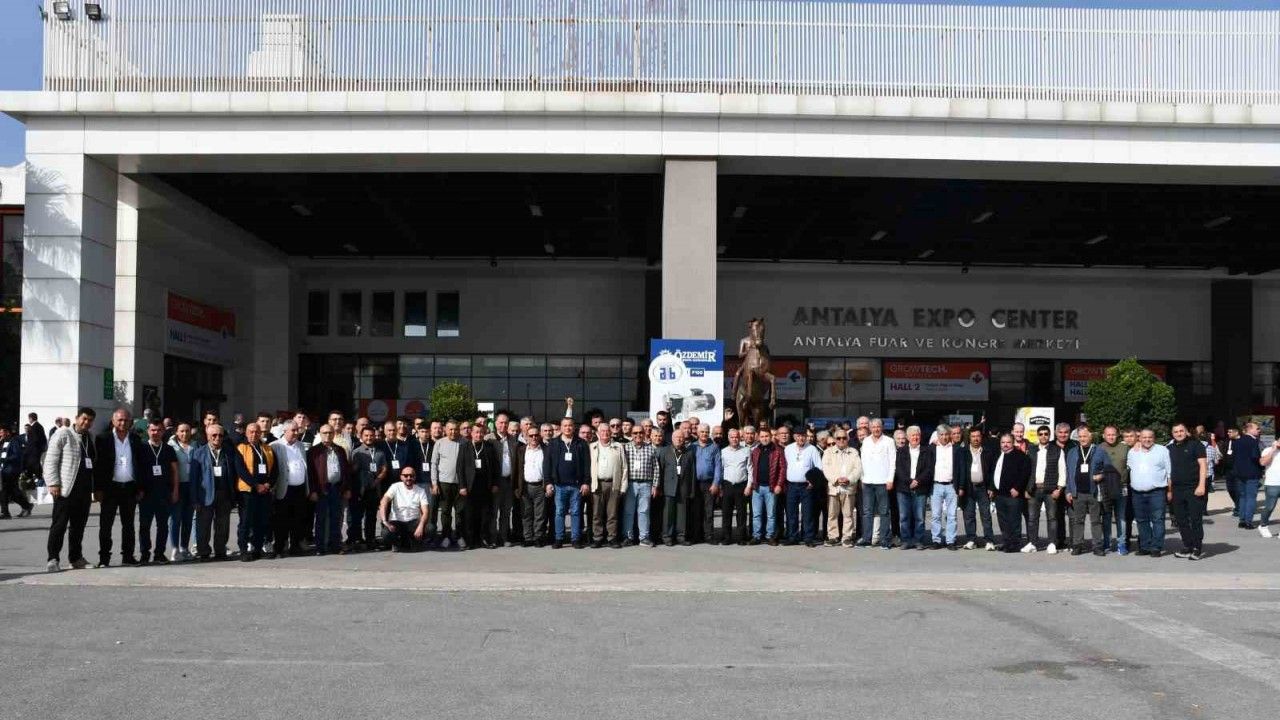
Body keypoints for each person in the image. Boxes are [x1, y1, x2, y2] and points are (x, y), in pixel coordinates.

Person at [43, 408, 96, 572]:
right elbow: (50, 459)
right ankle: (53, 559)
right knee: (59, 525)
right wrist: (53, 483)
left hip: (84, 490)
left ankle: (76, 558)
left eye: (90, 420)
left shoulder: (89, 437)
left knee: (78, 527)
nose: (86, 422)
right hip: (65, 489)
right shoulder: (63, 434)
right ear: (77, 418)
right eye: (84, 419)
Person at [95, 408, 147, 568]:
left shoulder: (135, 439)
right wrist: (97, 489)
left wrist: (140, 487)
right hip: (110, 488)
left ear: (130, 422)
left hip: (129, 488)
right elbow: (98, 465)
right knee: (106, 525)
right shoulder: (103, 438)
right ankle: (104, 558)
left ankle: (128, 556)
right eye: (120, 420)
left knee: (129, 525)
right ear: (113, 421)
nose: (123, 423)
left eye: (126, 420)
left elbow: (141, 464)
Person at [190, 424, 245, 561]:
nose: (217, 438)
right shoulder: (199, 453)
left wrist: (234, 496)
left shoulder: (229, 452)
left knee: (223, 525)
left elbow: (235, 474)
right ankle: (204, 552)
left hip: (224, 494)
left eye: (220, 435)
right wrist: (195, 499)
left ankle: (220, 551)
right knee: (203, 525)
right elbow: (194, 478)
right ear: (208, 436)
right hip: (205, 495)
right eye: (214, 435)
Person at [137, 419, 179, 565]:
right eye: (153, 430)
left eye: (159, 430)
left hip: (164, 492)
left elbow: (175, 471)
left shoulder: (168, 449)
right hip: (146, 493)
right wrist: (138, 489)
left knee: (163, 525)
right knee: (144, 525)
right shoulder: (142, 448)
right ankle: (144, 554)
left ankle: (159, 554)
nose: (155, 433)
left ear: (163, 431)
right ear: (148, 431)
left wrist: (175, 491)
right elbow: (137, 470)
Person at [270, 421, 313, 558]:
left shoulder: (300, 445)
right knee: (281, 521)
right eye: (293, 430)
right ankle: (279, 548)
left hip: (299, 489)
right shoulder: (275, 446)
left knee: (298, 519)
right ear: (284, 431)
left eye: (297, 430)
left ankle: (295, 546)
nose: (296, 433)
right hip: (284, 489)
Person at [235, 422, 277, 561]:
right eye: (251, 432)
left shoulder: (267, 448)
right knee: (246, 522)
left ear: (261, 433)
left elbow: (275, 469)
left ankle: (258, 548)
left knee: (262, 520)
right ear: (246, 433)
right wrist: (256, 485)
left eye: (257, 432)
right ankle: (243, 549)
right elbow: (241, 471)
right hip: (247, 491)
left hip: (265, 491)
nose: (254, 434)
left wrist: (268, 484)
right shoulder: (241, 448)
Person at [546, 417, 590, 549]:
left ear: (574, 427)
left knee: (576, 512)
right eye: (565, 425)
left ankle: (575, 539)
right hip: (559, 485)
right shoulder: (554, 443)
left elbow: (587, 465)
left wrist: (585, 482)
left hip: (576, 485)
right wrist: (548, 482)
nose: (568, 428)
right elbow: (547, 464)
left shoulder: (581, 443)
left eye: (570, 425)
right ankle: (559, 538)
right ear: (561, 427)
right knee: (559, 512)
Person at [308, 424, 351, 555]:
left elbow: (346, 471)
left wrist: (346, 488)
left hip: (337, 488)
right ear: (320, 434)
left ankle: (335, 546)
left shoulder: (340, 450)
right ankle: (320, 547)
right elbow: (310, 473)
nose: (328, 435)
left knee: (336, 518)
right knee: (321, 519)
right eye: (325, 433)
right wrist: (312, 491)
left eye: (330, 433)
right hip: (321, 489)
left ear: (334, 434)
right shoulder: (313, 451)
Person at [1166, 423, 1207, 559]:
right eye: (1176, 432)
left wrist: (1201, 485)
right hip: (1177, 489)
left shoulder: (1196, 445)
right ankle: (1187, 546)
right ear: (1172, 434)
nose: (1179, 433)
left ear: (1186, 431)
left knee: (1195, 519)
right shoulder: (1169, 449)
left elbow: (1203, 465)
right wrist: (1169, 490)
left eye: (1181, 431)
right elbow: (1168, 471)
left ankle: (1197, 547)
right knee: (1181, 519)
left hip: (1194, 488)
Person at [1128, 429, 1171, 557]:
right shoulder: (1133, 452)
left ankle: (1156, 547)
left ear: (1154, 438)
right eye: (1144, 437)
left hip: (1157, 492)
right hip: (1137, 493)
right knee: (1141, 520)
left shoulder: (1162, 450)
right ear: (1139, 438)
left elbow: (1169, 472)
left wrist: (1170, 490)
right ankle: (1145, 546)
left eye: (1150, 437)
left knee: (1158, 520)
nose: (1147, 440)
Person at [1065, 425, 1107, 556]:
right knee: (1078, 521)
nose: (1082, 439)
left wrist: (1101, 475)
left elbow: (1108, 469)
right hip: (1078, 493)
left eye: (1085, 436)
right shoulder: (1072, 452)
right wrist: (1068, 490)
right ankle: (1077, 545)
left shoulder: (1099, 451)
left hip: (1094, 492)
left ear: (1091, 436)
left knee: (1096, 521)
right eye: (1080, 436)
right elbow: (1068, 473)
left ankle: (1097, 546)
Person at [1024, 425, 1066, 554]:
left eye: (1046, 434)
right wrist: (1026, 489)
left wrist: (1059, 489)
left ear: (1049, 435)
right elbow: (1026, 471)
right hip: (1034, 489)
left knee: (1052, 518)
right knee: (1032, 518)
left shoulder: (1057, 450)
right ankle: (1032, 543)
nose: (1043, 436)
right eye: (1041, 434)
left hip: (1051, 490)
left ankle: (1052, 543)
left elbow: (1062, 471)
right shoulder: (1031, 450)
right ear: (1038, 435)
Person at [894, 426, 934, 550]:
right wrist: (909, 481)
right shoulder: (901, 451)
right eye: (912, 435)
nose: (915, 437)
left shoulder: (926, 451)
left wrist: (918, 481)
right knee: (904, 516)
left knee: (919, 517)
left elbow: (929, 469)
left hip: (920, 487)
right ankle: (906, 540)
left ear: (920, 436)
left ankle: (918, 540)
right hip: (903, 488)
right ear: (907, 437)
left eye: (917, 435)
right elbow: (899, 469)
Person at [349, 426, 388, 551]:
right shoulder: (356, 452)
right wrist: (355, 467)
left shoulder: (380, 452)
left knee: (371, 517)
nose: (369, 438)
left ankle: (370, 540)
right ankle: (356, 540)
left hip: (374, 489)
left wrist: (377, 480)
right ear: (361, 437)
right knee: (357, 516)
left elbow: (384, 469)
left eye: (371, 435)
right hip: (360, 489)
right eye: (366, 435)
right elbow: (352, 471)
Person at [589, 423, 628, 548]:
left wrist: (623, 486)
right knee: (597, 513)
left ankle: (612, 537)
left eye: (607, 431)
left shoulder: (618, 447)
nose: (605, 433)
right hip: (597, 484)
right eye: (602, 431)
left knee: (612, 513)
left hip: (613, 483)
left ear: (610, 433)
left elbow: (624, 467)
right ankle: (597, 537)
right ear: (598, 433)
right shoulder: (592, 447)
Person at [991, 433, 1032, 553]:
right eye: (1003, 442)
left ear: (1013, 442)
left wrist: (1017, 488)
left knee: (1014, 521)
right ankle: (1006, 542)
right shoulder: (997, 455)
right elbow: (993, 472)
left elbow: (1025, 473)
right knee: (1003, 521)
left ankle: (1014, 544)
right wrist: (992, 488)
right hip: (999, 494)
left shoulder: (1021, 456)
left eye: (1008, 442)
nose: (1005, 445)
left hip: (1013, 495)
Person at [821, 428, 861, 547]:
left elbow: (858, 469)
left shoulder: (853, 452)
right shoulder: (828, 452)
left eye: (844, 438)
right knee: (832, 515)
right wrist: (836, 479)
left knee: (848, 514)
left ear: (847, 439)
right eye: (838, 438)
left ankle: (847, 537)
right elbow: (826, 469)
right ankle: (833, 537)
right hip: (834, 488)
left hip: (849, 488)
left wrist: (849, 479)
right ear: (835, 439)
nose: (841, 440)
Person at [958, 426, 997, 550]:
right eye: (973, 436)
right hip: (968, 488)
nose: (975, 439)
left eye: (978, 436)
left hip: (983, 488)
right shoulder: (963, 452)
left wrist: (991, 487)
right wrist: (960, 487)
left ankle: (989, 540)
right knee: (968, 515)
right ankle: (971, 540)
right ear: (969, 438)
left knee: (986, 515)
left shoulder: (988, 452)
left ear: (981, 437)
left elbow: (993, 471)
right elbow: (959, 470)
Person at [858, 419, 895, 549]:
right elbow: (862, 461)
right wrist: (862, 478)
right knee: (867, 512)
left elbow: (892, 462)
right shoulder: (866, 441)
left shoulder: (889, 441)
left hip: (883, 482)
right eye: (873, 427)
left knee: (884, 512)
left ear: (882, 427)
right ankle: (866, 539)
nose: (876, 429)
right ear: (870, 428)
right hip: (867, 482)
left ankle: (884, 540)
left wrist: (890, 479)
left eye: (878, 427)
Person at [460, 424, 498, 548]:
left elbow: (495, 467)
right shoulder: (465, 447)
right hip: (469, 487)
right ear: (471, 433)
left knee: (485, 514)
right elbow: (460, 468)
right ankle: (470, 541)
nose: (479, 435)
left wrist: (495, 483)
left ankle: (484, 539)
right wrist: (462, 486)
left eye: (481, 432)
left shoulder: (489, 447)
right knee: (469, 515)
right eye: (476, 432)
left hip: (485, 486)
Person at [782, 427, 821, 547]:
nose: (801, 438)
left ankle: (808, 538)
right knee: (791, 513)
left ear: (806, 436)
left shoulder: (812, 449)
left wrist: (813, 482)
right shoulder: (788, 449)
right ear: (794, 437)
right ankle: (792, 537)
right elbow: (785, 466)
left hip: (806, 486)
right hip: (792, 485)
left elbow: (818, 467)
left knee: (808, 513)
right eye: (798, 436)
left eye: (803, 435)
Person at [620, 426, 659, 547]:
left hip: (646, 484)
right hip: (630, 484)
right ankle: (628, 537)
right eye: (635, 433)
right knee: (628, 511)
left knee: (644, 511)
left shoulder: (650, 448)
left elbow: (656, 468)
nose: (638, 435)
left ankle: (644, 537)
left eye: (640, 432)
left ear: (644, 433)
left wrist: (655, 485)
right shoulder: (625, 448)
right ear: (631, 434)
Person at [378, 466, 430, 552]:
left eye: (411, 476)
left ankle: (413, 540)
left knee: (430, 528)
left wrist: (420, 526)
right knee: (385, 533)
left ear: (415, 477)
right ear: (401, 477)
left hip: (413, 522)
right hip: (397, 522)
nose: (408, 478)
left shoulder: (421, 491)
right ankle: (397, 543)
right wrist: (385, 521)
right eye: (405, 476)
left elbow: (426, 511)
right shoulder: (395, 487)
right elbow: (383, 502)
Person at [716, 427, 752, 545]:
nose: (734, 439)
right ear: (728, 438)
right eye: (732, 437)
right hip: (727, 485)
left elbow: (750, 469)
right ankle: (726, 537)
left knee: (741, 513)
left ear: (740, 438)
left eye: (736, 437)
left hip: (741, 485)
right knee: (726, 513)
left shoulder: (746, 451)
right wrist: (720, 487)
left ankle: (741, 537)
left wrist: (749, 486)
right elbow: (720, 470)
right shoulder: (723, 452)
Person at [1098, 425, 1131, 555]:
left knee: (1121, 516)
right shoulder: (1099, 448)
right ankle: (1106, 543)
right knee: (1106, 516)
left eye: (1113, 434)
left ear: (1117, 435)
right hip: (1105, 487)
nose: (1111, 437)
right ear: (1103, 436)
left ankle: (1121, 544)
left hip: (1121, 486)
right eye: (1108, 434)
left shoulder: (1125, 448)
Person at [431, 421, 464, 548]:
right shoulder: (439, 443)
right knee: (445, 511)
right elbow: (434, 464)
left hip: (460, 483)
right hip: (444, 483)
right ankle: (446, 536)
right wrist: (435, 483)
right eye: (450, 429)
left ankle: (459, 535)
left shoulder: (464, 442)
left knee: (460, 511)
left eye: (455, 429)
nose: (453, 432)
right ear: (445, 430)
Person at [166, 423, 196, 561]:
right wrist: (173, 489)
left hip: (191, 486)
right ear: (176, 432)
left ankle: (184, 548)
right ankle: (175, 548)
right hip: (177, 486)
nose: (185, 434)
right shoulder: (170, 446)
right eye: (182, 431)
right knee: (175, 518)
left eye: (187, 431)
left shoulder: (195, 446)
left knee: (188, 519)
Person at [929, 423, 962, 550]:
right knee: (935, 515)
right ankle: (936, 540)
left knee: (952, 515)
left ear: (950, 435)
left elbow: (960, 469)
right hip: (936, 485)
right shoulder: (932, 448)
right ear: (937, 436)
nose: (944, 437)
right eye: (941, 435)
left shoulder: (956, 449)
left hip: (951, 486)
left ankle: (950, 541)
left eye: (946, 434)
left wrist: (960, 486)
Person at [489, 413, 519, 547]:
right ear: (495, 424)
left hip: (508, 481)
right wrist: (492, 482)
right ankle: (492, 538)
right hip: (496, 482)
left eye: (506, 423)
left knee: (506, 512)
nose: (503, 425)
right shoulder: (490, 440)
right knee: (493, 512)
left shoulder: (513, 440)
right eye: (501, 422)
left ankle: (504, 537)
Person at [515, 425, 547, 547]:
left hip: (540, 486)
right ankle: (528, 537)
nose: (534, 437)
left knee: (540, 514)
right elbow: (516, 469)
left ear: (540, 436)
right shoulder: (521, 450)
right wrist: (517, 488)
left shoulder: (545, 450)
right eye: (531, 435)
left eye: (536, 435)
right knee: (526, 513)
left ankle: (538, 537)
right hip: (525, 486)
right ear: (526, 437)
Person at [693, 425, 722, 545]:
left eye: (706, 432)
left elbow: (718, 467)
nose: (704, 434)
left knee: (708, 511)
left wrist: (716, 483)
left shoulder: (714, 447)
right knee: (696, 511)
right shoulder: (692, 447)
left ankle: (709, 535)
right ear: (698, 433)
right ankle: (697, 535)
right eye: (702, 432)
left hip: (709, 483)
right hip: (695, 484)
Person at [748, 426, 777, 545]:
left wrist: (778, 484)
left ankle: (770, 536)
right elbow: (751, 468)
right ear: (758, 438)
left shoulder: (776, 450)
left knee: (771, 514)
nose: (764, 438)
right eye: (762, 436)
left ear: (770, 437)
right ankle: (756, 536)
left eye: (766, 436)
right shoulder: (755, 451)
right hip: (757, 487)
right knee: (756, 514)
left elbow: (782, 469)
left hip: (770, 487)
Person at [1235, 422, 1264, 529]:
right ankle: (1248, 522)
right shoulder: (1253, 441)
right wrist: (1262, 467)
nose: (1259, 430)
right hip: (1252, 472)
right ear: (1250, 429)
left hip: (1240, 473)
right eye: (1257, 428)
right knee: (1251, 497)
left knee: (1243, 497)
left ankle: (1242, 520)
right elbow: (1255, 457)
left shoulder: (1238, 441)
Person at [0, 425, 32, 518]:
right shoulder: (3, 442)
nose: (0, 434)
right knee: (12, 492)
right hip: (4, 470)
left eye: (1, 432)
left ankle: (5, 513)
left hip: (11, 470)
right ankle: (26, 506)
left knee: (5, 491)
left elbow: (17, 455)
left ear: (7, 432)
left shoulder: (14, 442)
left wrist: (5, 460)